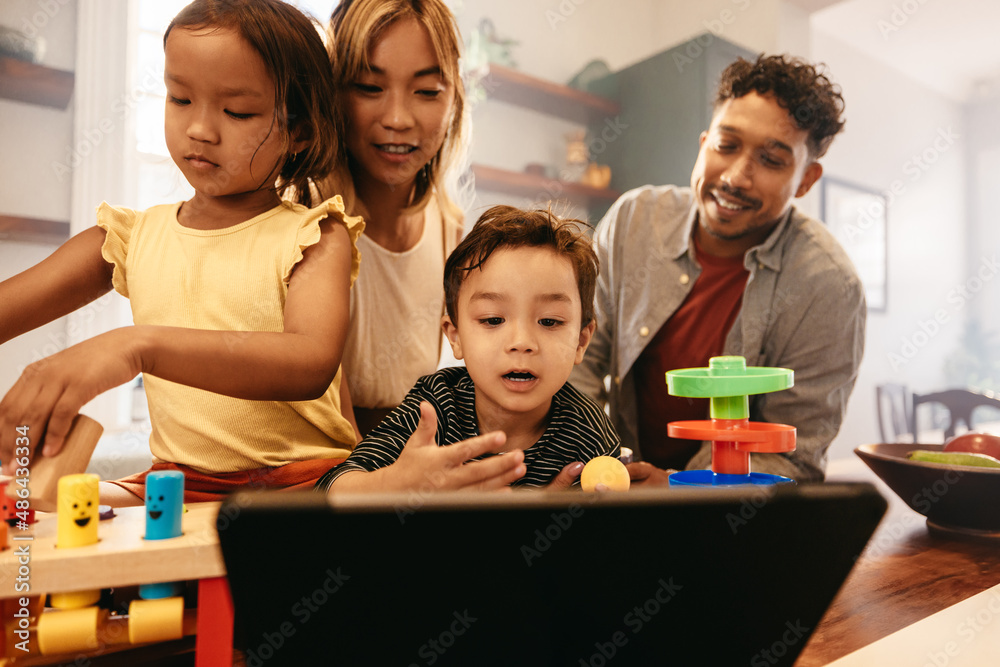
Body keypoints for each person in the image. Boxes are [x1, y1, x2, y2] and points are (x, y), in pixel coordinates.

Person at [0, 0, 362, 505]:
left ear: (299, 130)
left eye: (237, 111)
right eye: (180, 99)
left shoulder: (315, 234)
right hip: (176, 484)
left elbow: (310, 362)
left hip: (303, 483)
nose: (200, 129)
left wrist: (135, 345)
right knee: (32, 510)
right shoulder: (131, 238)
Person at [570, 54, 865, 483]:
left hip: (731, 520)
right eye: (726, 146)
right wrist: (601, 469)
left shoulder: (828, 287)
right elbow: (575, 362)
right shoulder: (634, 220)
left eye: (771, 159)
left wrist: (677, 487)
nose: (736, 177)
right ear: (704, 143)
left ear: (806, 179)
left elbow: (794, 456)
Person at [316, 205, 620, 493]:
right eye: (493, 319)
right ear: (456, 335)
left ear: (581, 341)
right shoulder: (434, 406)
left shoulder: (589, 433)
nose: (522, 342)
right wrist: (393, 484)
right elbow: (329, 488)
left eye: (550, 321)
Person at [319, 0, 470, 438]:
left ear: (454, 97)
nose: (398, 119)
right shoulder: (304, 225)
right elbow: (335, 445)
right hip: (332, 483)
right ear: (333, 93)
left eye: (426, 91)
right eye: (368, 87)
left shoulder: (449, 227)